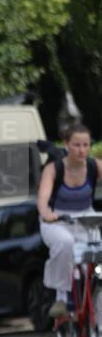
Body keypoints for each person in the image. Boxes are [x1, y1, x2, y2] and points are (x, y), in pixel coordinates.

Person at [37, 123, 102, 317]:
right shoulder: (53, 169)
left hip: (86, 219)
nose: (82, 150)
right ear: (66, 144)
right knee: (64, 243)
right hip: (57, 220)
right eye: (76, 145)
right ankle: (62, 298)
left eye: (86, 145)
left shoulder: (94, 165)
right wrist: (47, 213)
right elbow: (42, 200)